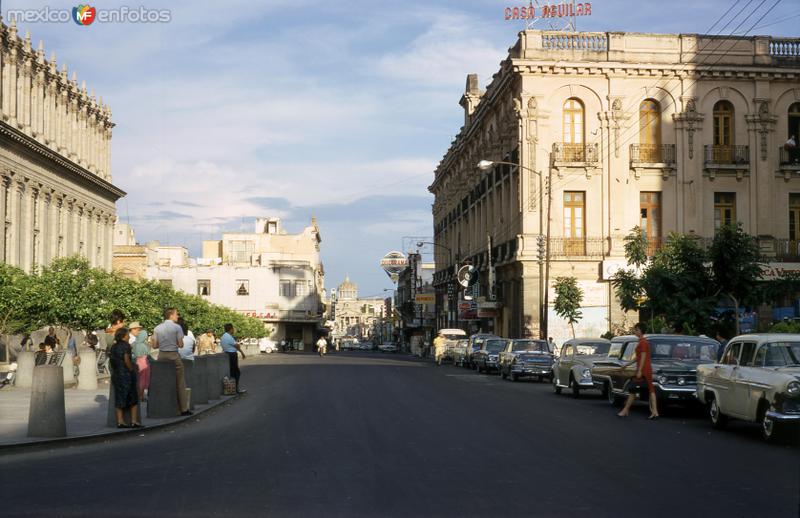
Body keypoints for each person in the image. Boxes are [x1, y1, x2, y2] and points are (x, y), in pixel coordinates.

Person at [153, 308, 191, 416]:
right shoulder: (177, 327)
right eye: (176, 314)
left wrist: (164, 343)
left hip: (161, 356)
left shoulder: (157, 328)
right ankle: (183, 409)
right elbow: (181, 345)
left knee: (163, 383)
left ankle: (162, 407)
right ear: (170, 315)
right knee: (180, 383)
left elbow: (155, 345)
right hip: (174, 356)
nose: (177, 316)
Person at [617, 322, 659, 420]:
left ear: (641, 331)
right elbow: (638, 357)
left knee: (635, 389)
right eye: (635, 330)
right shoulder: (641, 342)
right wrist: (626, 365)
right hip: (643, 368)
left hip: (644, 369)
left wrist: (640, 370)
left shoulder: (643, 342)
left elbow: (643, 356)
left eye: (637, 330)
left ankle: (626, 410)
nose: (635, 331)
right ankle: (655, 412)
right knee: (648, 390)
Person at [109, 327, 141, 428]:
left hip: (117, 374)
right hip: (126, 374)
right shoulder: (126, 346)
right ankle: (134, 421)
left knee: (119, 398)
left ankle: (120, 421)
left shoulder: (113, 346)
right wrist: (132, 369)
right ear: (124, 336)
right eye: (127, 335)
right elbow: (126, 359)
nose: (128, 336)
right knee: (133, 398)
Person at [220, 323, 246, 394]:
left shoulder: (223, 336)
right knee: (236, 372)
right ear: (231, 329)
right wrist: (242, 352)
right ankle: (235, 389)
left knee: (232, 372)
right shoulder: (228, 337)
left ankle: (233, 389)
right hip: (232, 355)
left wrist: (241, 352)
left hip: (227, 354)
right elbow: (237, 345)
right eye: (233, 329)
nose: (234, 330)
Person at [129, 322, 150, 402]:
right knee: (142, 380)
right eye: (138, 329)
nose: (138, 331)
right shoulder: (141, 344)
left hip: (137, 361)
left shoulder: (135, 342)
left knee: (139, 379)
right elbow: (147, 353)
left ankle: (139, 395)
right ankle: (140, 396)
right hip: (143, 362)